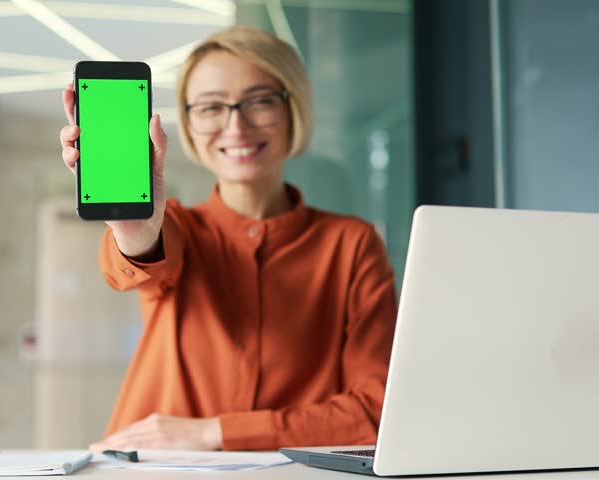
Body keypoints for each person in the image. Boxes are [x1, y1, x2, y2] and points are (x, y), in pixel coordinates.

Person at [58, 26, 397, 452]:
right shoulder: (177, 227)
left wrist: (213, 431)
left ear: (293, 109)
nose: (236, 125)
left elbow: (375, 412)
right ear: (186, 122)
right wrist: (135, 233)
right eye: (211, 107)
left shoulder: (351, 245)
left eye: (259, 101)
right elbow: (143, 266)